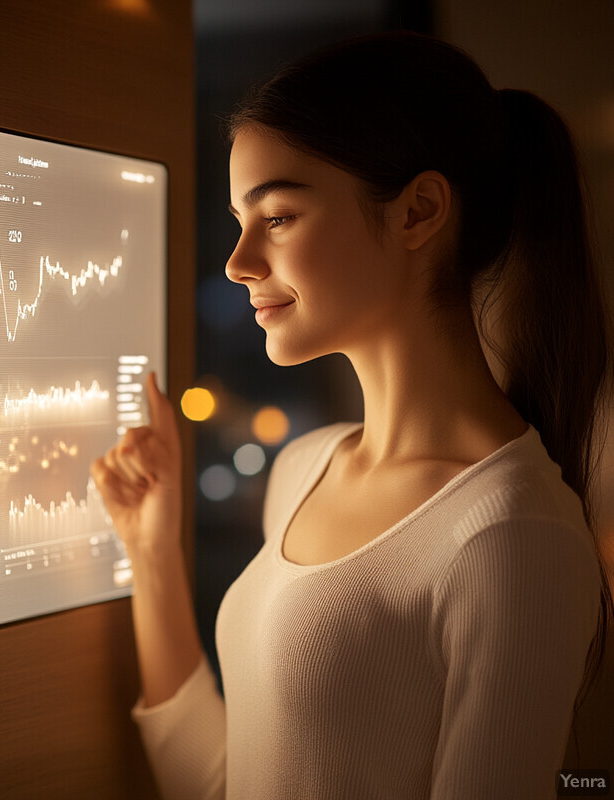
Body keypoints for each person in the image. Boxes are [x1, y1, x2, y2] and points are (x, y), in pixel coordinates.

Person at [90, 30, 613, 800]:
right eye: (239, 219)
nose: (237, 261)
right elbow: (229, 784)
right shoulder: (305, 468)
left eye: (277, 217)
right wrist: (154, 554)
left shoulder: (513, 539)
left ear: (418, 212)